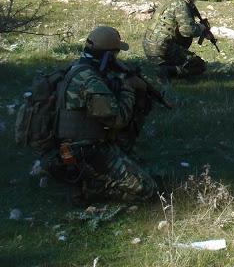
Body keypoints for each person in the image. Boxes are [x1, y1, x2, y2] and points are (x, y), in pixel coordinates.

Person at [47, 26, 158, 208]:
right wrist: (128, 88)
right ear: (108, 55)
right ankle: (88, 185)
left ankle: (89, 176)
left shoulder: (78, 68)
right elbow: (118, 119)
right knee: (147, 189)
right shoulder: (90, 80)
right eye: (116, 53)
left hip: (72, 145)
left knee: (137, 166)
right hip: (85, 151)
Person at [143, 0, 212, 83]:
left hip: (151, 44)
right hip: (162, 47)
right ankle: (167, 71)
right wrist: (201, 28)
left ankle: (165, 67)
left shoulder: (171, 1)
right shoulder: (181, 5)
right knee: (198, 65)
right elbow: (187, 31)